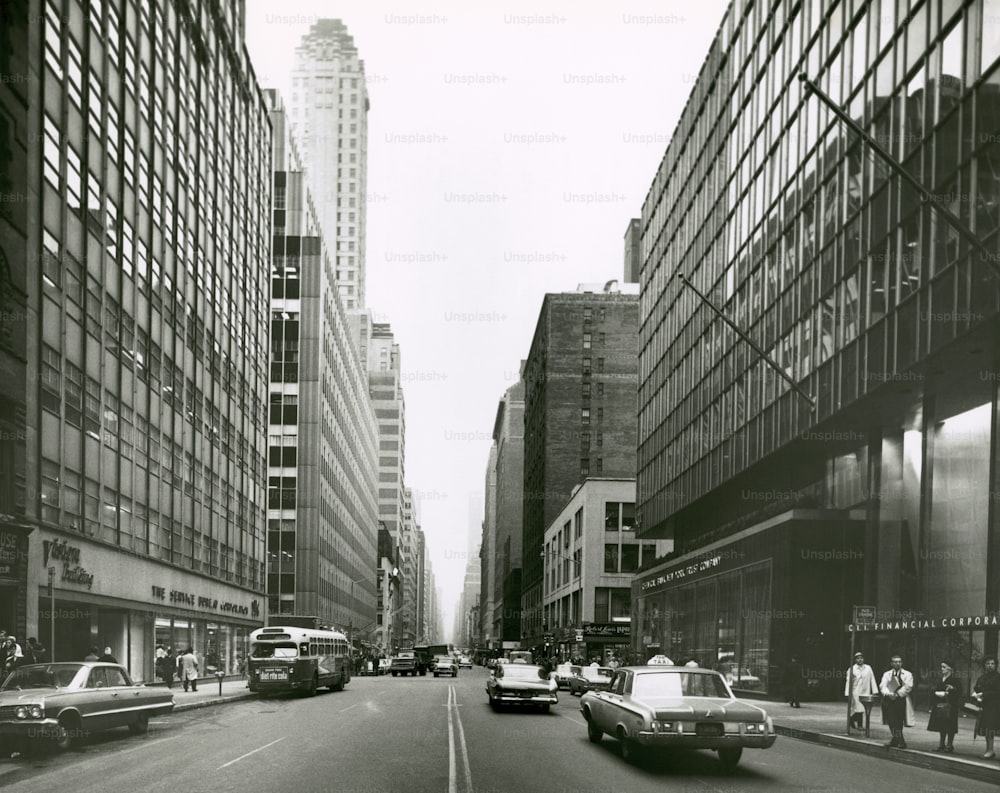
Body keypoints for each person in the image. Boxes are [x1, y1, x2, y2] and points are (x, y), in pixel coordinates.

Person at [879, 654, 915, 749]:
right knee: (891, 721)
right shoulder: (887, 674)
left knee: (898, 721)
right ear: (891, 663)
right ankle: (899, 740)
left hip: (901, 700)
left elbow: (909, 686)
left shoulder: (907, 674)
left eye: (899, 662)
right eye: (895, 662)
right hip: (889, 700)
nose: (897, 664)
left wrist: (897, 694)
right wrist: (889, 694)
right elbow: (883, 686)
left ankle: (898, 740)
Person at [927, 659, 962, 752]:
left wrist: (951, 690)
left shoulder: (955, 679)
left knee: (950, 725)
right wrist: (937, 693)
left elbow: (959, 692)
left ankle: (949, 745)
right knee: (941, 724)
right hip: (940, 705)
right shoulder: (940, 679)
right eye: (941, 667)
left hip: (951, 705)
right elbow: (933, 689)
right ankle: (941, 744)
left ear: (950, 668)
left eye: (944, 667)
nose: (942, 669)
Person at [972, 655, 1000, 760]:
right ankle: (988, 749)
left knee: (990, 728)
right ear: (984, 665)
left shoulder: (998, 677)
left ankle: (990, 749)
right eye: (988, 664)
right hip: (983, 705)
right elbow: (977, 687)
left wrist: (983, 694)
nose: (990, 666)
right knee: (985, 727)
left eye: (992, 664)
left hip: (994, 706)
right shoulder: (982, 677)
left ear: (996, 665)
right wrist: (975, 693)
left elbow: (998, 692)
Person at [845, 651, 878, 730]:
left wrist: (874, 690)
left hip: (866, 690)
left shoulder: (868, 668)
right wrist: (847, 693)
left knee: (863, 708)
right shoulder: (852, 669)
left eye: (861, 658)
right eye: (858, 658)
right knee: (859, 708)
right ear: (855, 660)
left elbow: (872, 679)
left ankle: (851, 720)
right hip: (856, 691)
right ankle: (859, 725)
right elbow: (848, 681)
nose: (860, 660)